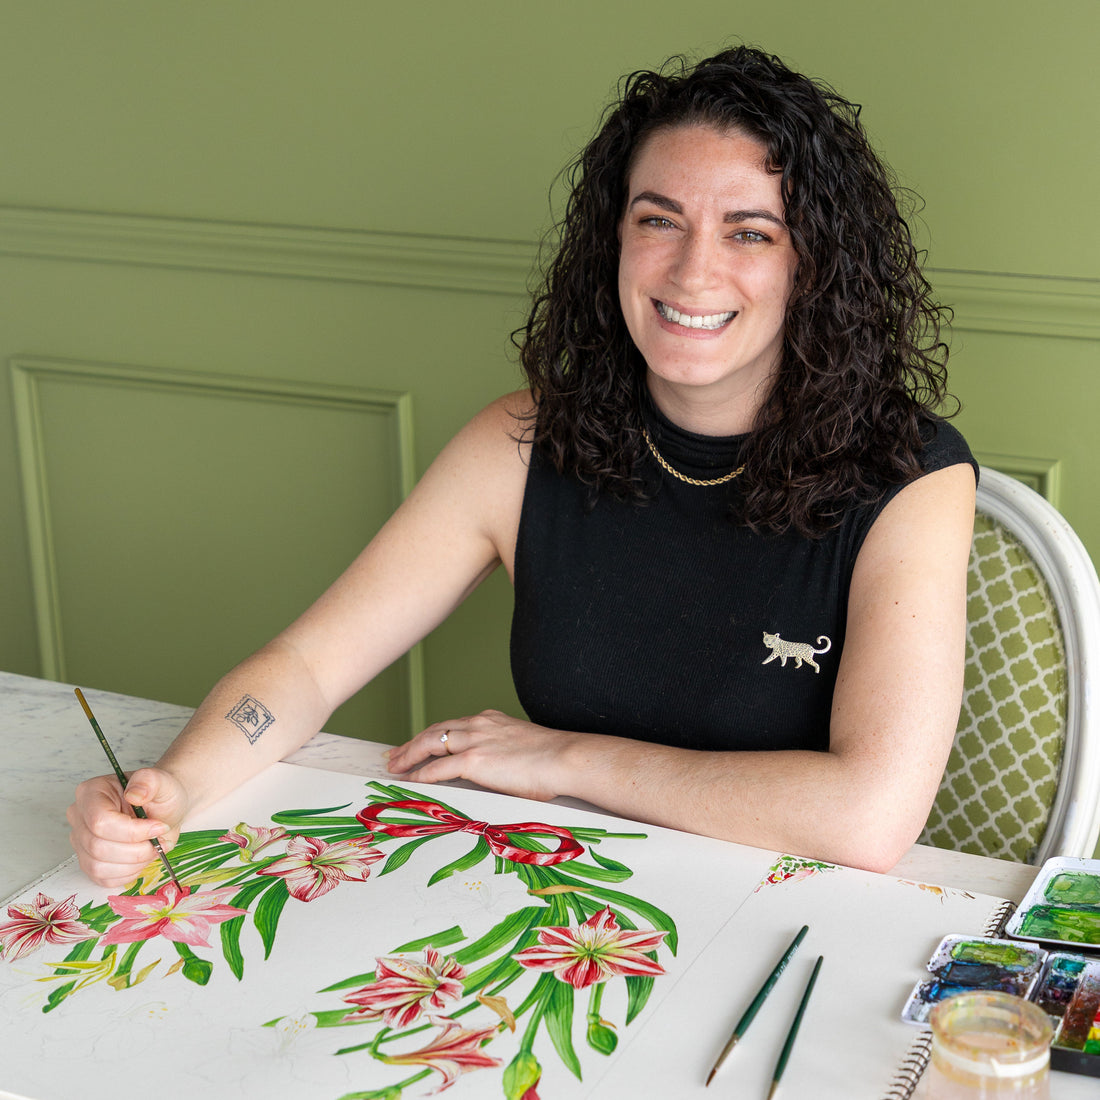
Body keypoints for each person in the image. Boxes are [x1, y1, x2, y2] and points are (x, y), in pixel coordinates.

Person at [68, 45, 976, 884]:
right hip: (556, 890)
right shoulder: (523, 440)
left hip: (780, 914)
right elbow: (307, 669)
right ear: (613, 240)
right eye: (659, 219)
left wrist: (563, 756)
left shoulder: (912, 476)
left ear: (813, 263)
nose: (694, 271)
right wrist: (174, 789)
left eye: (750, 232)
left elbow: (869, 817)